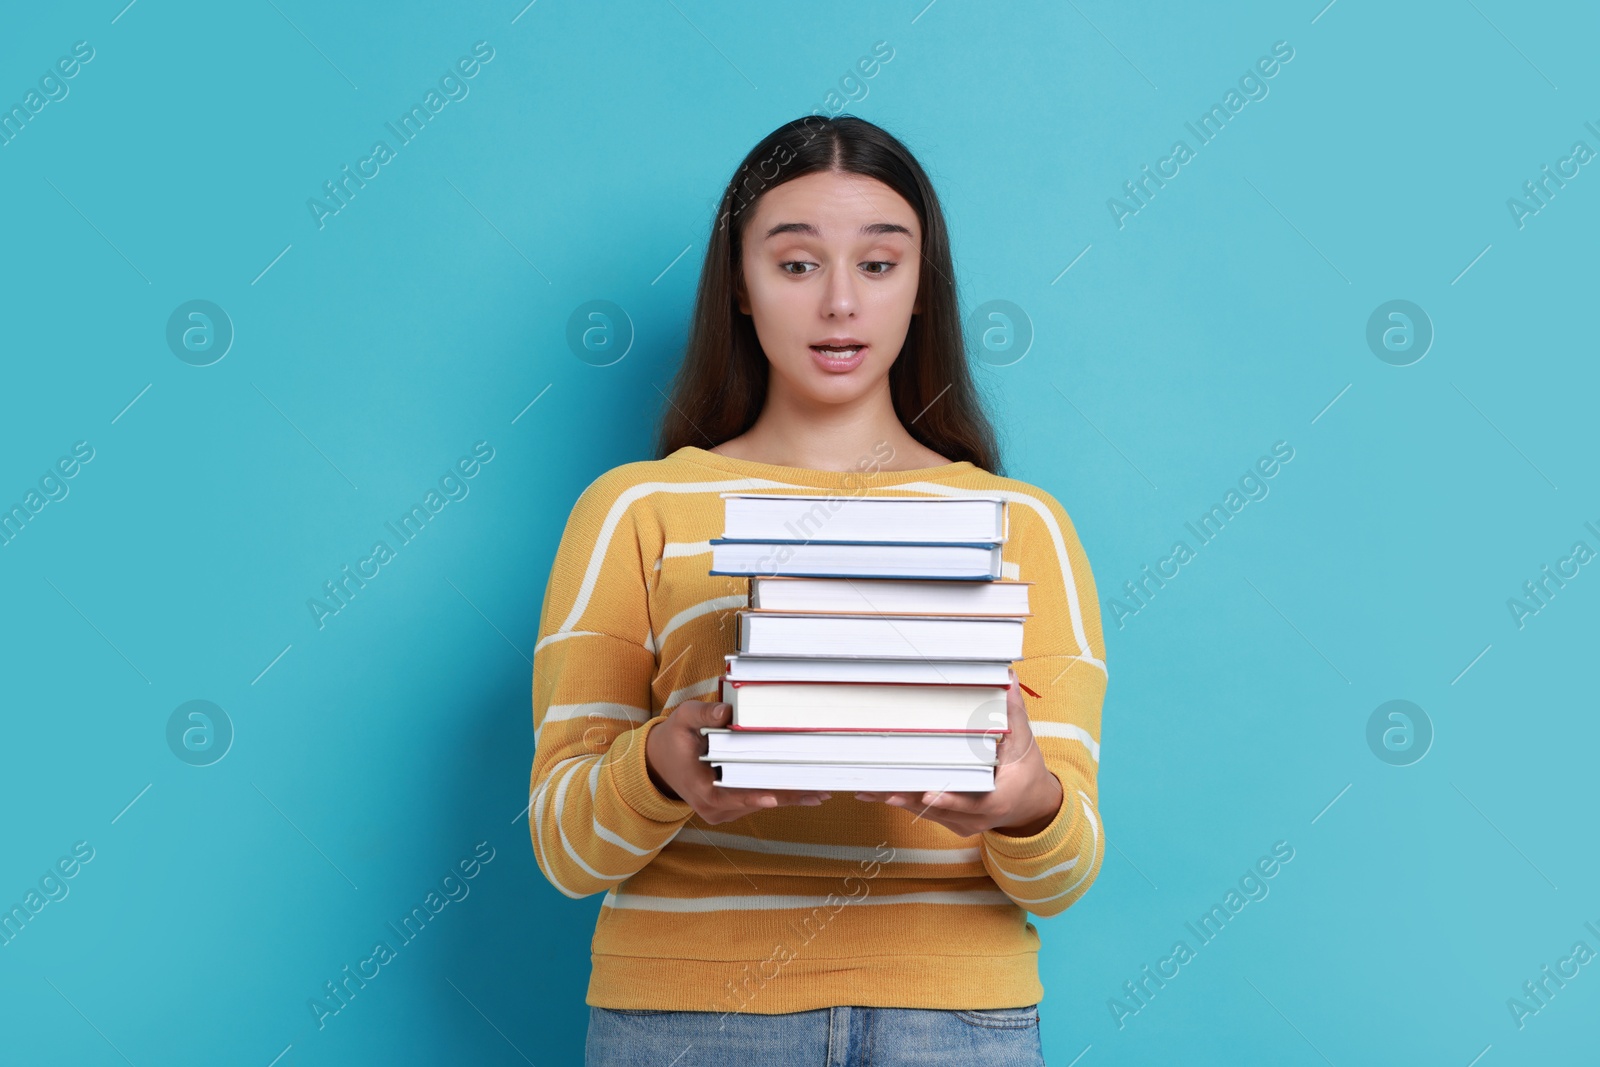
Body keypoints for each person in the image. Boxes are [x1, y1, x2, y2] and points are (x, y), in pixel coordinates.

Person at [528, 114, 1108, 1067]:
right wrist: (665, 767)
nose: (840, 303)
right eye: (797, 264)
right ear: (742, 290)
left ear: (922, 289)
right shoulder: (635, 507)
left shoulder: (1023, 525)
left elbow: (1065, 868)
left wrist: (1026, 800)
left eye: (879, 265)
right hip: (687, 1018)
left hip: (956, 1020)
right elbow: (564, 847)